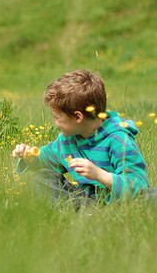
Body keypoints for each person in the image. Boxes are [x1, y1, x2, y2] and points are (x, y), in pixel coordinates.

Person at [12, 69, 149, 204]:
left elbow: (138, 184)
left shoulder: (119, 139)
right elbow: (45, 161)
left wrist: (99, 175)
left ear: (78, 117)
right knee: (39, 179)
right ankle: (84, 212)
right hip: (85, 201)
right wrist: (30, 157)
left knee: (151, 196)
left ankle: (89, 212)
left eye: (57, 117)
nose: (55, 122)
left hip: (118, 202)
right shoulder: (66, 141)